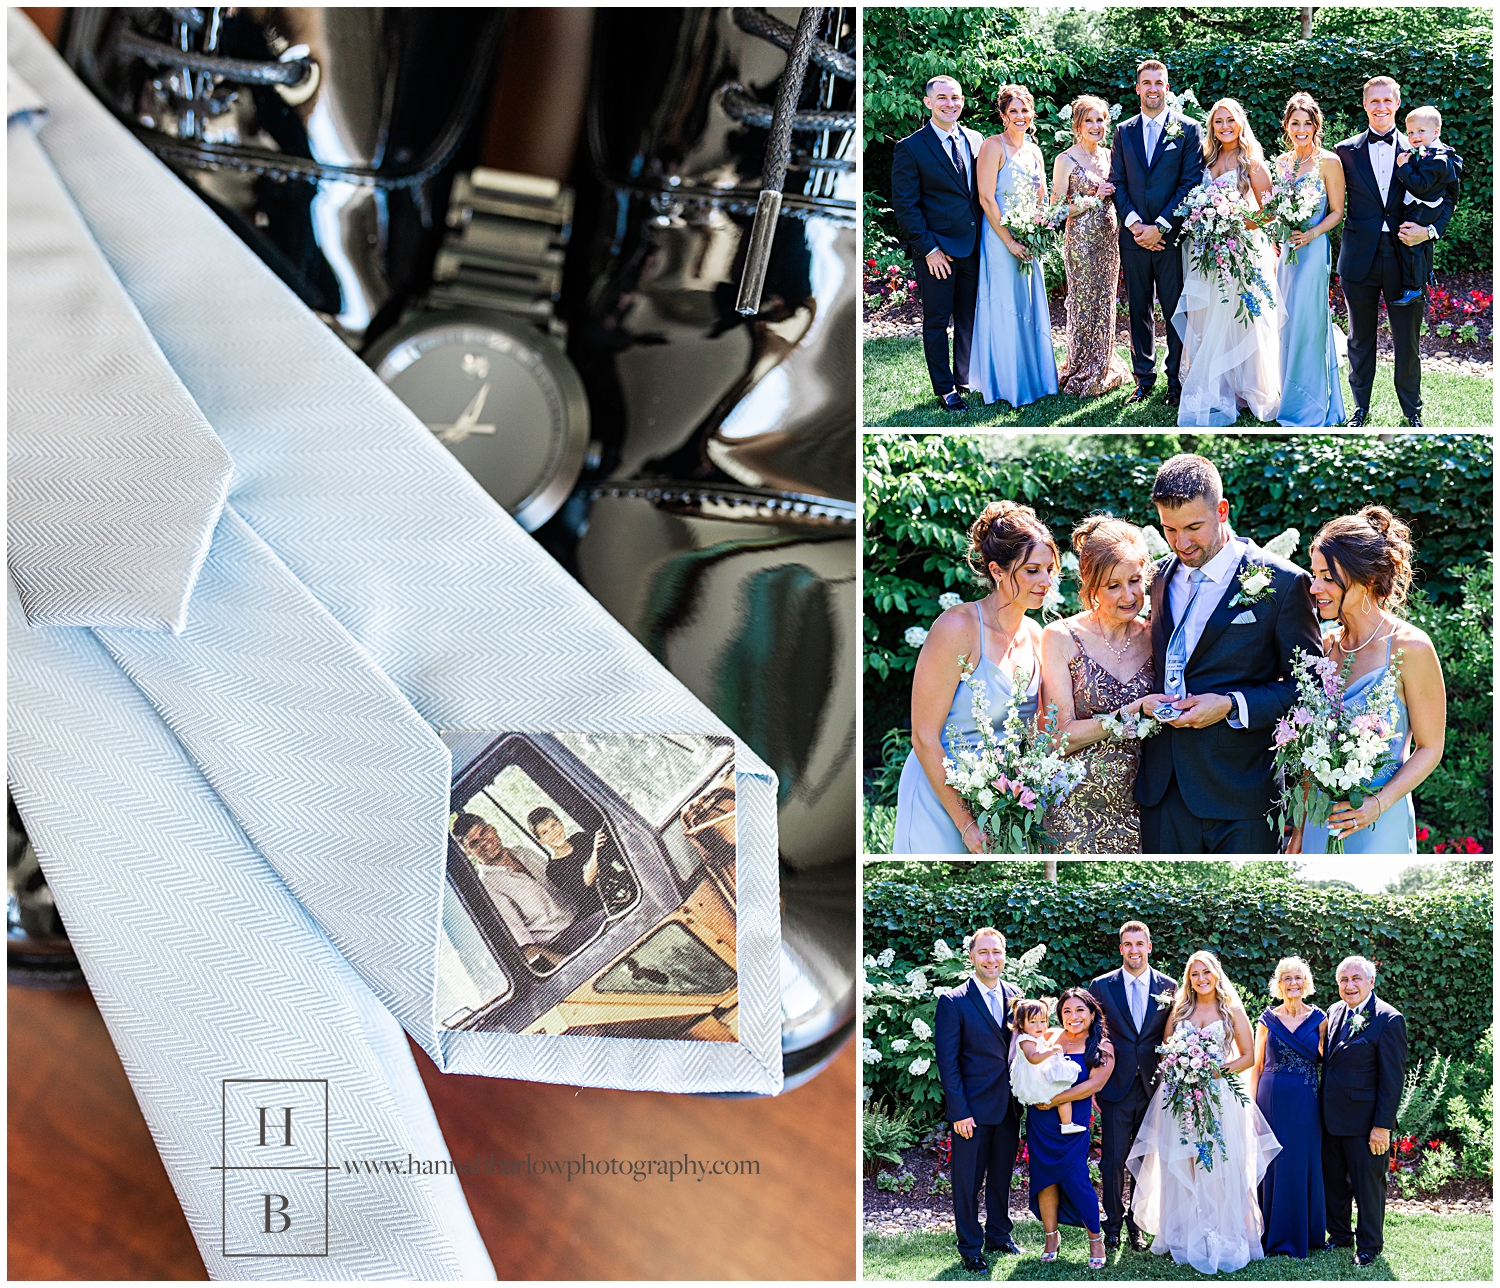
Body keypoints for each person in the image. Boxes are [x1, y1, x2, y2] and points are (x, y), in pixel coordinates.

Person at [1135, 454, 1321, 853]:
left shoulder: (1284, 584)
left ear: (1222, 511)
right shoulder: (1159, 576)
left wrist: (1232, 705)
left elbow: (1309, 687)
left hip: (1243, 793)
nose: (1181, 543)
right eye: (1170, 530)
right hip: (1164, 793)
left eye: (1193, 528)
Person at [894, 501, 1053, 853]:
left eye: (1048, 570)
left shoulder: (1038, 637)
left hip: (999, 808)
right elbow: (923, 736)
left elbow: (1039, 733)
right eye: (1031, 571)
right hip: (939, 799)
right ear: (997, 571)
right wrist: (965, 822)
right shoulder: (958, 627)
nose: (1045, 581)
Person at [1291, 506, 1445, 854]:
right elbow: (1307, 751)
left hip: (1379, 824)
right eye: (1315, 575)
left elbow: (1431, 748)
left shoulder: (1411, 648)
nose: (1315, 587)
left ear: (1369, 580)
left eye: (1329, 577)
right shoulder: (1324, 648)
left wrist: (1378, 803)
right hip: (1320, 821)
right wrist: (1299, 828)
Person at [1127, 950, 1281, 1274]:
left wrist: (1215, 1070)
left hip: (1218, 1098)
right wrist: (1180, 1063)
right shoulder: (1181, 1008)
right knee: (1183, 1163)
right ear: (1189, 979)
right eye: (1194, 974)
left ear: (1216, 973)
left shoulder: (1231, 1010)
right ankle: (1184, 1235)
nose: (1201, 979)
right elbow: (1167, 1049)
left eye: (1206, 973)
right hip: (1181, 1097)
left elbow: (1248, 1056)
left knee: (1218, 1166)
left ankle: (1221, 1235)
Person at [1334, 76, 1455, 428]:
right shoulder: (1345, 152)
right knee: (1359, 339)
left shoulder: (1424, 145)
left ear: (1397, 104)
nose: (1381, 107)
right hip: (1359, 257)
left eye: (1387, 100)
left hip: (1406, 255)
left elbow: (1449, 197)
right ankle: (1360, 409)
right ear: (1365, 104)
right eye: (1374, 101)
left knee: (1407, 341)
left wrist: (1429, 231)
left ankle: (1412, 412)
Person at [1040, 517, 1164, 852]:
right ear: (1091, 586)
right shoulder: (1061, 638)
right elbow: (1058, 737)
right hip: (1073, 816)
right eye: (1113, 586)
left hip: (1143, 813)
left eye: (1135, 580)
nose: (1129, 595)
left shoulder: (1157, 636)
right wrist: (1132, 712)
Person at [1173, 98, 1282, 427]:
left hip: (1242, 250)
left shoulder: (1252, 162)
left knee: (1243, 318)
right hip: (1207, 250)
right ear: (1212, 127)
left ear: (1240, 123)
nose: (1224, 127)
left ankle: (1251, 386)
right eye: (1218, 122)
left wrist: (1238, 222)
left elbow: (1270, 210)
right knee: (1210, 318)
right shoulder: (1206, 158)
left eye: (1229, 121)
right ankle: (1220, 385)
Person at [1107, 60, 1206, 408]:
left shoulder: (1188, 130)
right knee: (1138, 310)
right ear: (1137, 88)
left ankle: (1175, 382)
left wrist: (1160, 225)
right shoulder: (1123, 131)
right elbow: (1117, 181)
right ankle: (1143, 379)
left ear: (1167, 88)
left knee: (1175, 310)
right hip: (1133, 238)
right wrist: (1135, 224)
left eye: (1159, 83)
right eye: (1146, 82)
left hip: (1171, 238)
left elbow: (1190, 182)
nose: (1152, 88)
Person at [890, 75, 986, 413]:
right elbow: (905, 206)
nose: (951, 103)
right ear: (929, 102)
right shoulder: (911, 147)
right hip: (937, 252)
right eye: (943, 98)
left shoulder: (976, 140)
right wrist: (928, 249)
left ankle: (965, 378)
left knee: (969, 317)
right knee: (936, 321)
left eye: (956, 97)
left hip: (975, 247)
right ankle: (945, 389)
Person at [933, 928, 1027, 1273]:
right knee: (968, 1182)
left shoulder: (1016, 996)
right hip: (971, 1110)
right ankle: (970, 1246)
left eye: (997, 952)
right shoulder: (953, 1001)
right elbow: (948, 1061)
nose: (991, 959)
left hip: (1008, 1107)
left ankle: (999, 1235)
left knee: (1002, 1176)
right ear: (971, 957)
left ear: (1005, 956)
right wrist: (959, 1111)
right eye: (984, 952)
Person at [1090, 920, 1178, 1251]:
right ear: (1120, 948)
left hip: (1154, 1086)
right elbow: (1093, 1036)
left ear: (1149, 947)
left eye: (1139, 944)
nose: (1134, 950)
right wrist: (1095, 1082)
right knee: (1112, 1159)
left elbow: (1172, 1034)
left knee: (1145, 1159)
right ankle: (1111, 1224)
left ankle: (1137, 1224)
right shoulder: (1101, 986)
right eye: (1128, 944)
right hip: (1115, 1086)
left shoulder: (1169, 986)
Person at [969, 84, 1059, 409]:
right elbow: (985, 198)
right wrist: (1008, 239)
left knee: (1029, 304)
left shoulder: (1035, 151)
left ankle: (1036, 377)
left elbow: (1042, 197)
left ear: (1031, 113)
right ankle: (1007, 383)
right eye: (1014, 111)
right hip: (999, 237)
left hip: (1029, 238)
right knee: (1006, 305)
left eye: (1025, 110)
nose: (1020, 116)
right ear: (1003, 115)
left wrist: (1038, 231)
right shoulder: (993, 147)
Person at [1320, 956, 1407, 1267]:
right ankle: (1340, 1236)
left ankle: (1369, 1246)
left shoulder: (1388, 1019)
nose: (1350, 985)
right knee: (1334, 1183)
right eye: (1344, 980)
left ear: (1371, 982)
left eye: (1356, 978)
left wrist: (1382, 1126)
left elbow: (1392, 1080)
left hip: (1365, 1123)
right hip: (1330, 1119)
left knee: (1368, 1188)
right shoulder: (1333, 1012)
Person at [1024, 988, 1113, 1270]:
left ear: (1092, 1013)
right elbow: (1026, 1062)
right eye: (1066, 1011)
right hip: (1040, 1120)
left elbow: (1093, 1086)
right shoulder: (1048, 1037)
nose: (1073, 1017)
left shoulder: (1102, 1047)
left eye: (1079, 1010)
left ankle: (1095, 1239)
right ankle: (1051, 1238)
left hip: (1071, 1122)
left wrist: (1053, 1100)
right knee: (1044, 1178)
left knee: (1077, 1178)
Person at [1273, 94, 1348, 428]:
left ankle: (1316, 404)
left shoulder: (1328, 161)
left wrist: (1312, 234)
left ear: (1316, 126)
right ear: (1287, 126)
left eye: (1307, 123)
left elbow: (1337, 212)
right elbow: (1276, 207)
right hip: (1288, 251)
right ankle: (1288, 395)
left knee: (1308, 322)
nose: (1301, 129)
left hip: (1313, 251)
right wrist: (1279, 233)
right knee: (1286, 320)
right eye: (1295, 123)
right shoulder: (1282, 163)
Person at [1050, 96, 1130, 397]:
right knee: (1083, 302)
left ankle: (1103, 362)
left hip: (1109, 239)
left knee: (1106, 302)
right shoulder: (1065, 160)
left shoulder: (1111, 156)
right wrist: (1093, 197)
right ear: (1078, 125)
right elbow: (1056, 208)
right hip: (1081, 240)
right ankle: (1080, 365)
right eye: (1090, 121)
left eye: (1101, 120)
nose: (1096, 126)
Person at [1250, 956, 1328, 1259]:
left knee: (1301, 1161)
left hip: (1306, 1100)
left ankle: (1305, 1234)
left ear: (1305, 982)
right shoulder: (1267, 1019)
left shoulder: (1320, 1019)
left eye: (1298, 978)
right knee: (1273, 1162)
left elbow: (1328, 1060)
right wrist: (1252, 1109)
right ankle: (1271, 1233)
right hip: (1271, 1099)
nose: (1292, 983)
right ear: (1278, 984)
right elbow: (1256, 1066)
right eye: (1286, 978)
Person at [452, 813, 574, 968]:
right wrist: (571, 963)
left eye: (484, 832)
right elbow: (526, 949)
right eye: (475, 843)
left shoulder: (523, 852)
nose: (484, 843)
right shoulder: (489, 889)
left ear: (492, 828)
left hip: (584, 917)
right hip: (562, 944)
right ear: (469, 853)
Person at [1392, 106, 1463, 306]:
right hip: (1420, 206)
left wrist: (1403, 167)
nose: (1415, 136)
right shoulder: (1430, 152)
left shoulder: (1438, 159)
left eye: (1421, 131)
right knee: (1423, 244)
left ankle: (1414, 289)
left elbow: (1420, 187)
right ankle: (1428, 274)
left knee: (1410, 244)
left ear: (1436, 132)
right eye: (1411, 132)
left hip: (1423, 206)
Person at [1007, 998, 1086, 1135]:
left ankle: (1067, 1124)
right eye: (1033, 1022)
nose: (1039, 1026)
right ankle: (1066, 1124)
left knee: (1062, 1092)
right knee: (1063, 1092)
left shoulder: (1037, 1038)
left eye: (1042, 1021)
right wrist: (1051, 1051)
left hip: (1037, 1076)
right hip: (1034, 1080)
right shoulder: (1026, 1040)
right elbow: (1033, 1058)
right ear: (1020, 1024)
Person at [528, 807, 606, 914]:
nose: (553, 833)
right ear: (541, 841)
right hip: (599, 912)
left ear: (561, 824)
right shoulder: (553, 869)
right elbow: (587, 882)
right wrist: (596, 851)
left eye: (554, 825)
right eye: (545, 833)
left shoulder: (580, 838)